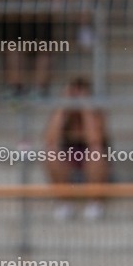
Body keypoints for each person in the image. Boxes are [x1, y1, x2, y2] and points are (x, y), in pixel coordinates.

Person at [43, 77, 107, 221]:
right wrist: (64, 105)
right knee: (51, 151)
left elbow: (94, 139)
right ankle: (64, 203)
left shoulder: (96, 115)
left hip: (93, 168)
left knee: (96, 150)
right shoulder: (63, 116)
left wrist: (85, 107)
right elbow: (50, 139)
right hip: (69, 168)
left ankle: (94, 203)